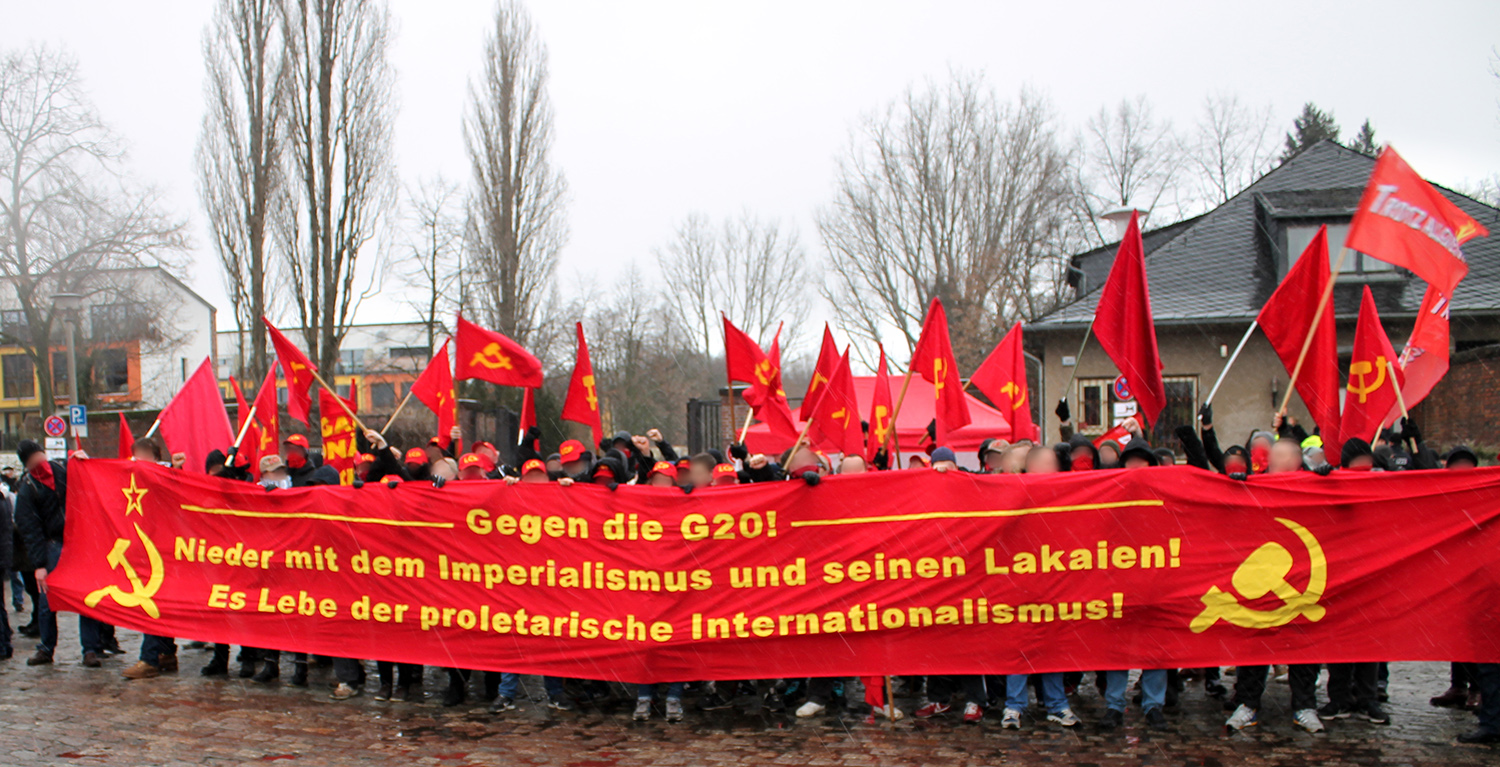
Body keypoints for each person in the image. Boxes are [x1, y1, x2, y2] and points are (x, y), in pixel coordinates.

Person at [1224, 438, 1327, 734]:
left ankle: (1305, 707)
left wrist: (1332, 479)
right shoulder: (1255, 487)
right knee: (1255, 649)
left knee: (1303, 649)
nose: (1275, 461)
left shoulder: (1315, 486)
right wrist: (1233, 485)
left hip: (1304, 579)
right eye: (1273, 456)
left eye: (1281, 456)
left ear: (1297, 460)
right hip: (1260, 583)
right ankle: (1248, 705)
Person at [998, 444, 1082, 729]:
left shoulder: (1066, 489)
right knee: (1019, 649)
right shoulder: (1008, 490)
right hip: (1017, 583)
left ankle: (1056, 705)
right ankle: (1014, 706)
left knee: (1052, 648)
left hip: (1054, 582)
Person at [14, 440, 105, 667]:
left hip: (79, 542)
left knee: (86, 597)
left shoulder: (63, 469)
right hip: (52, 545)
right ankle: (46, 648)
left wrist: (85, 461)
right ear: (26, 463)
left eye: (38, 454)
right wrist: (40, 565)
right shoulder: (27, 488)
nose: (38, 460)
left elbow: (86, 475)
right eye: (32, 458)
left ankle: (91, 649)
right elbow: (30, 530)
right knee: (47, 600)